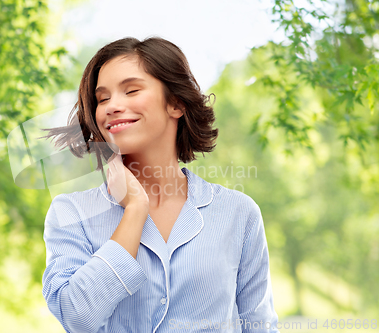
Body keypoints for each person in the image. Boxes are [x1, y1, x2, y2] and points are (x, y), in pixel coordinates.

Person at [40, 36, 279, 333]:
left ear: (176, 103)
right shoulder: (72, 213)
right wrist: (135, 210)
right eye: (102, 98)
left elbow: (259, 326)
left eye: (131, 90)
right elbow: (77, 317)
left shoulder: (238, 212)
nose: (112, 106)